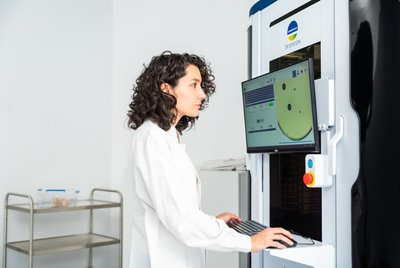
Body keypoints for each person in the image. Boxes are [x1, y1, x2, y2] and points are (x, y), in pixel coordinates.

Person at [127, 51, 294, 268]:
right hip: (163, 259)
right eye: (193, 85)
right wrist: (248, 241)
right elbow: (180, 219)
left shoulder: (168, 135)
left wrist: (212, 222)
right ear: (166, 88)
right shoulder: (152, 138)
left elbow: (176, 207)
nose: (202, 95)